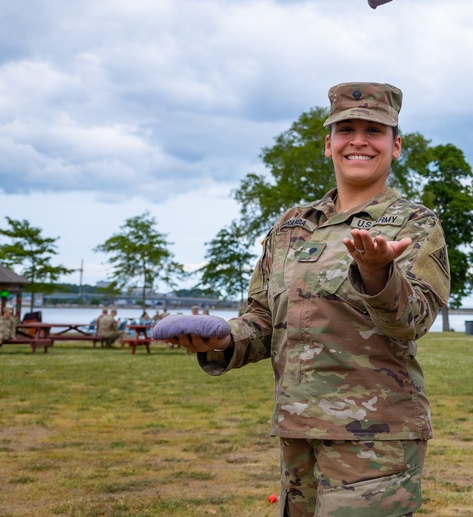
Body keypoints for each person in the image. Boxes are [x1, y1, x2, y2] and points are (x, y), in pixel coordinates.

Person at [162, 82, 450, 517]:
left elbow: (412, 321)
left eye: (374, 130)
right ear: (328, 144)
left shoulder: (414, 224)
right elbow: (262, 319)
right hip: (297, 432)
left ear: (396, 146)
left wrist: (378, 274)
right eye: (345, 129)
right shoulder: (292, 225)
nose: (358, 140)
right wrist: (222, 339)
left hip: (375, 440)